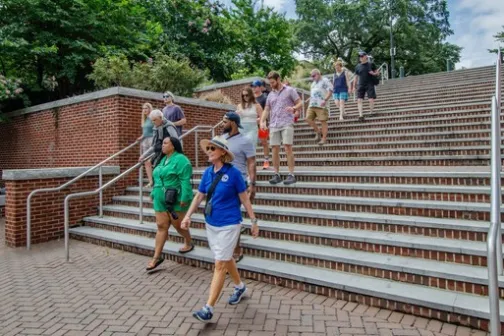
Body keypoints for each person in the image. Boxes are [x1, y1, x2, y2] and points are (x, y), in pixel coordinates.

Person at [181, 136, 259, 322]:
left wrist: (254, 221)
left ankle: (208, 308)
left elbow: (245, 199)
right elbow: (199, 197)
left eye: (212, 148)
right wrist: (188, 216)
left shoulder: (234, 174)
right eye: (207, 148)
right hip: (211, 223)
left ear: (223, 152)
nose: (208, 151)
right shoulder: (208, 173)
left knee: (219, 264)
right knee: (225, 258)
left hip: (230, 223)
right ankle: (240, 287)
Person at [146, 137, 194, 271]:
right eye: (162, 143)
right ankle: (156, 257)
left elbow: (185, 180)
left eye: (165, 143)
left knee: (178, 225)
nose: (162, 145)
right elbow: (157, 179)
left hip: (175, 198)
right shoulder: (162, 159)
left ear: (173, 146)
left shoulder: (181, 159)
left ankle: (189, 242)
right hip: (160, 199)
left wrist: (185, 197)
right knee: (161, 226)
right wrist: (153, 193)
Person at [221, 112, 256, 263]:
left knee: (233, 215)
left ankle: (237, 248)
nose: (222, 124)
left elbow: (252, 162)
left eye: (224, 121)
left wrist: (252, 184)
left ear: (233, 123)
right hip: (221, 181)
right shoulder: (220, 139)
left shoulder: (245, 141)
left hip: (238, 181)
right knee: (223, 214)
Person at [260, 71, 302, 185]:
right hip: (274, 124)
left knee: (288, 147)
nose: (271, 84)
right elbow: (267, 109)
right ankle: (276, 174)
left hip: (287, 122)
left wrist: (293, 108)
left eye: (273, 82)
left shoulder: (290, 90)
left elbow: (300, 103)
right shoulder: (270, 94)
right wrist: (263, 121)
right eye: (270, 82)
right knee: (274, 149)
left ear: (278, 79)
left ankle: (291, 174)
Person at [306, 69, 333, 145]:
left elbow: (330, 90)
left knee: (322, 121)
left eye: (313, 76)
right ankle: (318, 131)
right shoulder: (313, 84)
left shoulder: (325, 80)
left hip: (321, 105)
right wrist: (309, 98)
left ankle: (323, 139)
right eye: (311, 76)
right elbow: (313, 93)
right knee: (308, 119)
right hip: (312, 104)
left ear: (318, 74)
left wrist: (325, 99)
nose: (312, 78)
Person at [352, 51, 380, 121]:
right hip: (361, 84)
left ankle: (371, 112)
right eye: (359, 56)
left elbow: (378, 73)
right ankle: (361, 115)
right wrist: (353, 86)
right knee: (359, 100)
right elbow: (355, 77)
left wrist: (373, 73)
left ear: (365, 56)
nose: (360, 58)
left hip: (370, 83)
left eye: (362, 56)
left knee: (371, 99)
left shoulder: (371, 64)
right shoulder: (357, 66)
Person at [251, 80, 270, 169]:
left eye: (255, 86)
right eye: (252, 87)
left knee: (264, 142)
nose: (253, 88)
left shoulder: (264, 97)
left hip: (263, 124)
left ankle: (266, 161)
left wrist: (261, 120)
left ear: (259, 87)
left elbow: (267, 111)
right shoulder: (251, 99)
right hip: (252, 125)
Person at [137, 103, 154, 187]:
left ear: (150, 109)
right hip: (145, 141)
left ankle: (156, 179)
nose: (144, 110)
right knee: (147, 162)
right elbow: (145, 132)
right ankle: (151, 181)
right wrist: (141, 137)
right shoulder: (145, 119)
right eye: (143, 108)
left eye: (146, 108)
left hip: (152, 140)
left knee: (149, 160)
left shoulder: (152, 118)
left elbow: (156, 129)